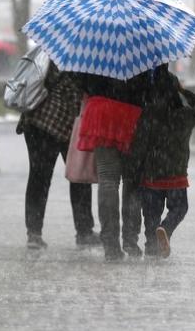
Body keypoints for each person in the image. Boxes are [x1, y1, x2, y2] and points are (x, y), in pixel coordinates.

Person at [17, 62, 100, 250]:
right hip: (56, 122)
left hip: (38, 120)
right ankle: (83, 231)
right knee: (77, 176)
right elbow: (85, 91)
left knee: (40, 177)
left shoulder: (55, 51)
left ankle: (34, 233)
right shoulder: (83, 61)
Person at [74, 70, 154, 260]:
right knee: (132, 183)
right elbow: (154, 86)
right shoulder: (144, 46)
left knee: (107, 179)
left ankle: (110, 244)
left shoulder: (94, 45)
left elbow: (80, 80)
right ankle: (130, 240)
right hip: (133, 113)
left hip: (101, 111)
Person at [130, 70, 195, 258]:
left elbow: (139, 143)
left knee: (151, 214)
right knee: (180, 208)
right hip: (175, 173)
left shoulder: (148, 114)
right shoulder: (185, 116)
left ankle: (151, 248)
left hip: (152, 173)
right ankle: (166, 228)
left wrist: (136, 168)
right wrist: (183, 91)